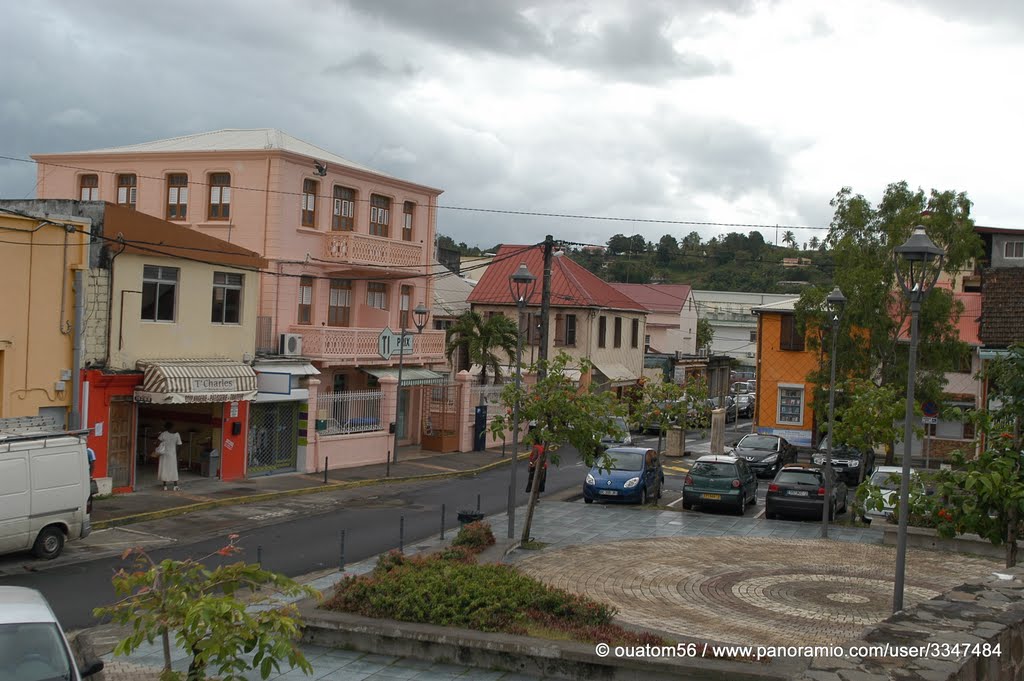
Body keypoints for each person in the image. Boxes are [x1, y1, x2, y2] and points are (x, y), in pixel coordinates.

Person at [156, 422, 182, 491]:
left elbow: (157, 442)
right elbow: (179, 445)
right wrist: (178, 455)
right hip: (172, 455)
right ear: (172, 427)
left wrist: (162, 443)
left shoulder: (163, 434)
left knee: (164, 469)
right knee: (173, 470)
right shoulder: (177, 434)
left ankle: (165, 486)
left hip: (164, 454)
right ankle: (175, 486)